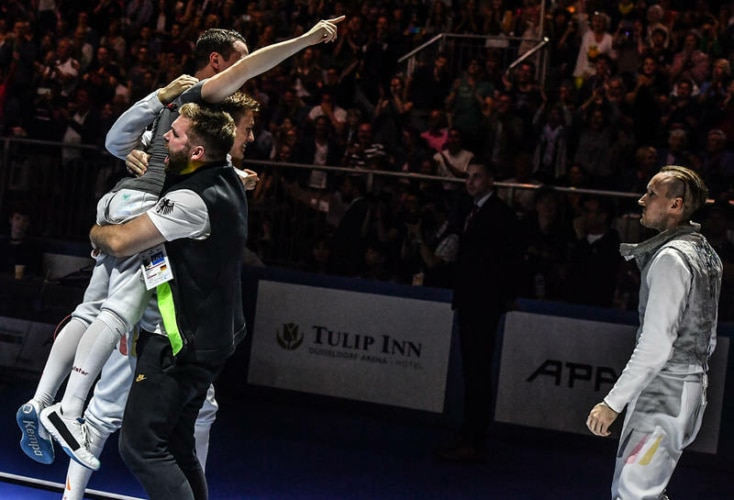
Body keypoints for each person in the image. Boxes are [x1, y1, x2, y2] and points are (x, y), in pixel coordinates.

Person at [18, 14, 343, 478]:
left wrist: (223, 171)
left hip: (121, 201)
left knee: (93, 311)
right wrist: (309, 38)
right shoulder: (198, 97)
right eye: (240, 61)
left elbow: (118, 142)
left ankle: (42, 401)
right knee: (117, 320)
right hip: (143, 212)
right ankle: (67, 411)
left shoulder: (178, 104)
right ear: (219, 62)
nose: (245, 68)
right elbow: (247, 80)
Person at [88, 101, 244, 500]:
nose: (163, 140)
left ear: (196, 152)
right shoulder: (226, 176)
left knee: (140, 445)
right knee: (176, 443)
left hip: (178, 342)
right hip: (213, 336)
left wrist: (97, 231)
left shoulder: (193, 200)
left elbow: (121, 242)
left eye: (173, 136)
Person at [586, 165, 722, 499]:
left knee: (634, 493)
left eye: (651, 194)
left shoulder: (672, 259)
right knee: (643, 491)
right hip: (688, 390)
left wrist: (612, 403)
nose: (641, 200)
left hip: (665, 393)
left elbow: (657, 345)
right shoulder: (705, 253)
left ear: (676, 205)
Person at [436, 162, 523, 462]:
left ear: (490, 181)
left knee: (478, 372)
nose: (470, 183)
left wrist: (502, 297)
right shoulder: (469, 212)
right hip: (469, 300)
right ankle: (468, 434)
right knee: (472, 371)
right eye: (467, 178)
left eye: (476, 177)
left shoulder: (500, 214)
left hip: (484, 303)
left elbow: (509, 259)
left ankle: (474, 438)